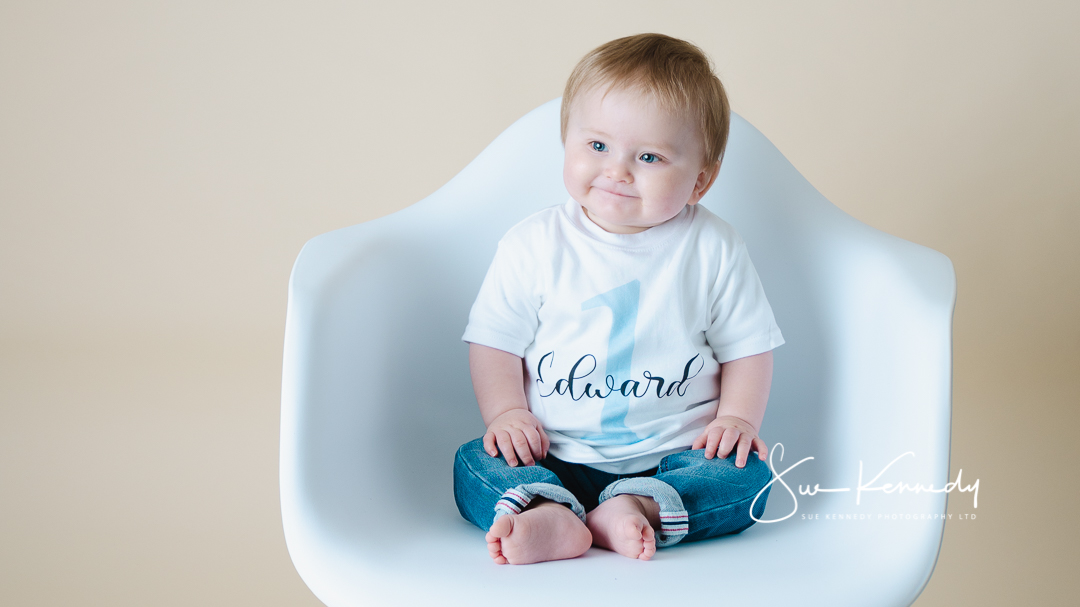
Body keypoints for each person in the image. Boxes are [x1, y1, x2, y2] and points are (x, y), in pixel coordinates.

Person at [453, 33, 784, 565]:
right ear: (567, 141)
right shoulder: (533, 244)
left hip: (677, 457)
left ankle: (636, 507)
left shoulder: (713, 247)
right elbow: (494, 342)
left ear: (700, 180)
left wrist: (738, 420)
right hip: (553, 452)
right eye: (598, 146)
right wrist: (508, 412)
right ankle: (549, 509)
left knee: (748, 478)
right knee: (475, 462)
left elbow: (749, 348)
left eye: (649, 156)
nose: (618, 170)